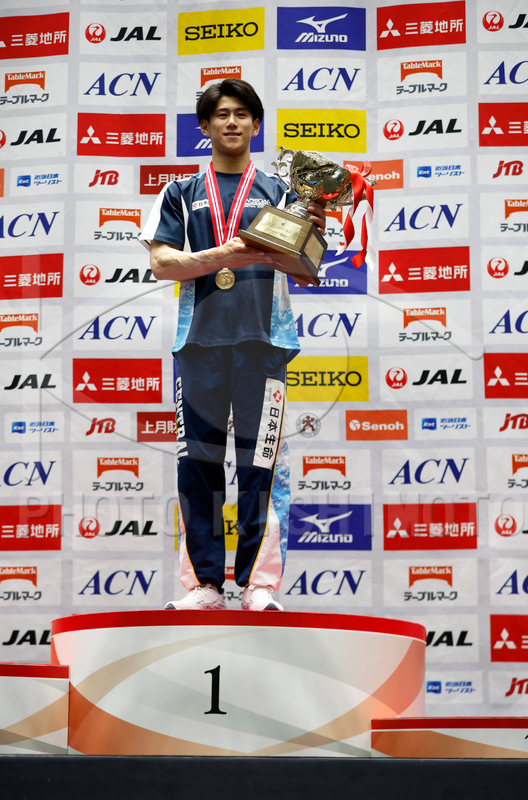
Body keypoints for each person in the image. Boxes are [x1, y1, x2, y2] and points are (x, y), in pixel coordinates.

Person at [140, 78, 326, 611]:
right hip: (197, 344)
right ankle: (204, 585)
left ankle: (258, 585)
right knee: (196, 466)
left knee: (261, 464)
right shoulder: (179, 192)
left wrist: (301, 236)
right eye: (221, 114)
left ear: (256, 125)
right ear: (205, 126)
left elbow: (307, 270)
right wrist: (225, 255)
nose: (232, 122)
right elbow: (161, 262)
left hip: (264, 343)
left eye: (242, 113)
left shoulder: (282, 192)